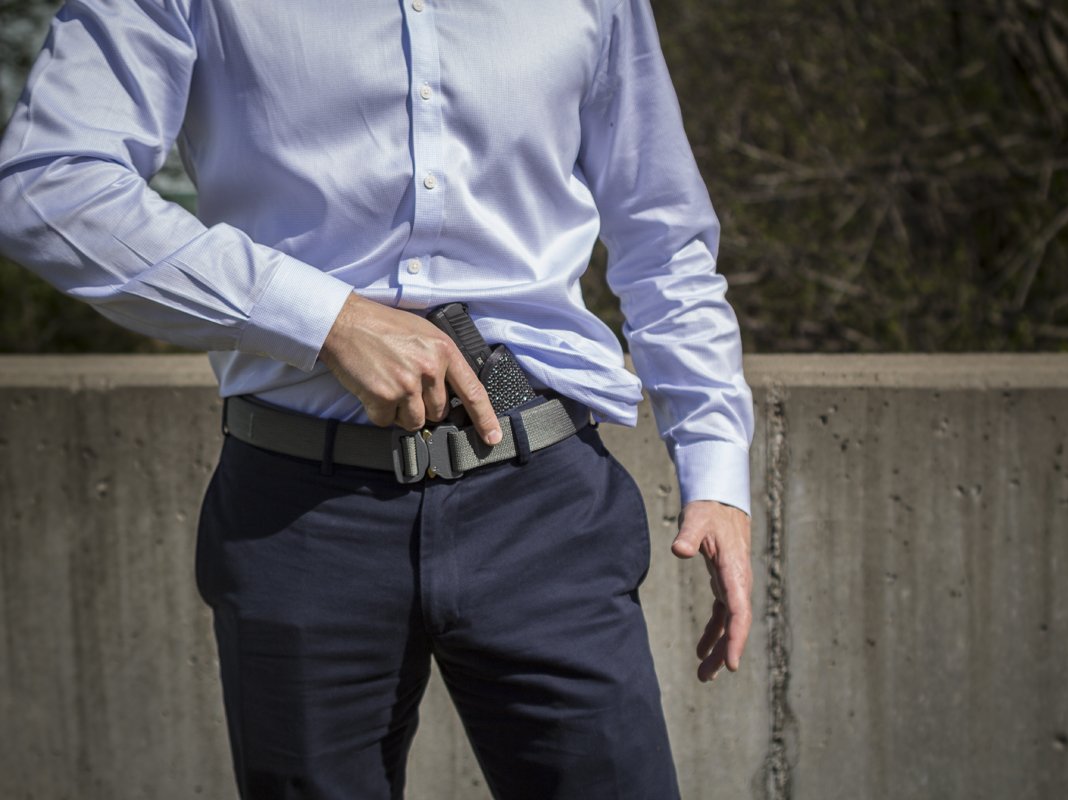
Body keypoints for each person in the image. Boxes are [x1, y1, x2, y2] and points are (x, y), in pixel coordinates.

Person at [0, 1, 755, 797]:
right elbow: (48, 183)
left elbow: (663, 237)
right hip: (301, 519)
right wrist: (327, 320)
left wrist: (715, 467)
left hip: (545, 504)